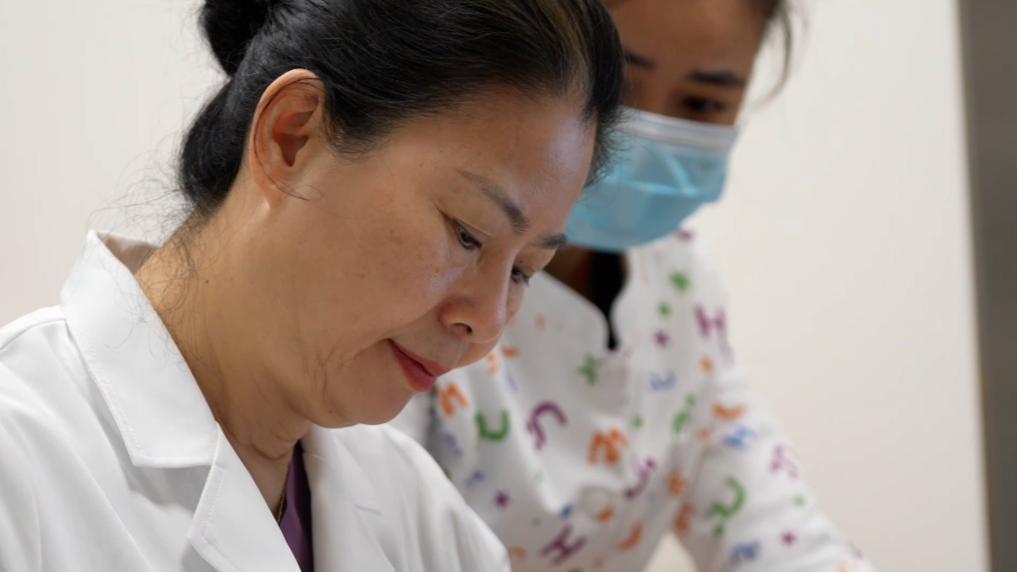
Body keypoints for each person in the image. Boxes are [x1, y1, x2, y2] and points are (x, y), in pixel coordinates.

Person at [0, 0, 626, 570]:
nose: (487, 323)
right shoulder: (23, 460)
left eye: (523, 271)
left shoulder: (422, 518)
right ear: (292, 137)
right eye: (467, 234)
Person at [390, 0, 877, 570]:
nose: (645, 132)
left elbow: (775, 528)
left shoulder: (680, 287)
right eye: (615, 85)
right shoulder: (416, 273)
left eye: (701, 103)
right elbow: (368, 526)